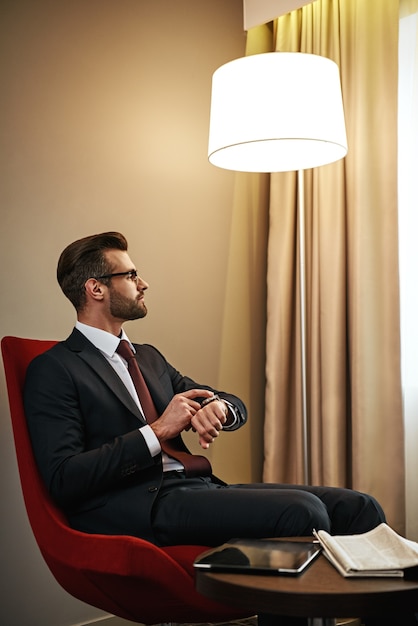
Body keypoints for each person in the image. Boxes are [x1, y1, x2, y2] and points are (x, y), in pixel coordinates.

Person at [24, 232, 388, 626]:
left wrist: (219, 408)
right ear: (95, 288)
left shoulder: (147, 357)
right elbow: (63, 478)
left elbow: (228, 402)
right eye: (130, 275)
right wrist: (158, 431)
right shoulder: (55, 368)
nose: (143, 283)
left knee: (359, 507)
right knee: (302, 511)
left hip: (197, 489)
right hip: (140, 504)